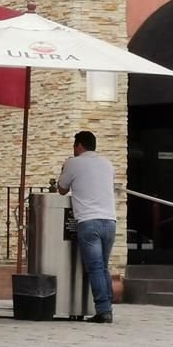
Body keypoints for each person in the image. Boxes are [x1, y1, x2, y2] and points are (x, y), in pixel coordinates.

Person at [57, 130, 117, 324]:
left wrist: (63, 169)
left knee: (95, 268)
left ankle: (103, 310)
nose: (74, 150)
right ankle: (108, 306)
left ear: (79, 146)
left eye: (75, 146)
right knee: (103, 267)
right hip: (110, 221)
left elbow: (62, 189)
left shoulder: (73, 163)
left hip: (88, 222)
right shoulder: (107, 164)